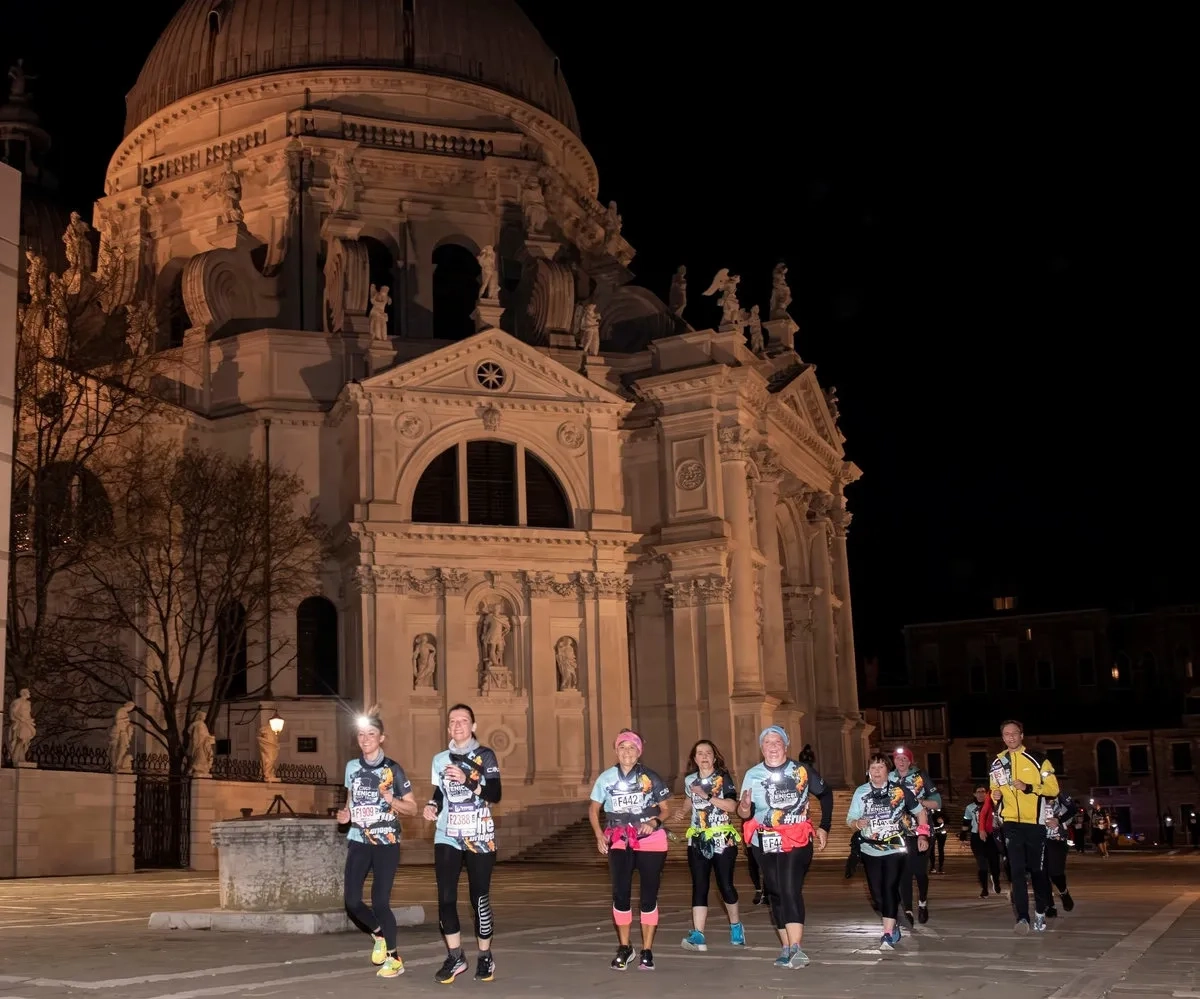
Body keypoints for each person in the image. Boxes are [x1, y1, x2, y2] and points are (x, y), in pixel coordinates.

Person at [736, 725, 833, 969]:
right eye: (767, 742)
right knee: (776, 892)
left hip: (797, 836)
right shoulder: (753, 774)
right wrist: (745, 807)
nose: (772, 746)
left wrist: (824, 826)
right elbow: (744, 812)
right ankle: (786, 946)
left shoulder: (801, 770)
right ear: (762, 748)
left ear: (785, 746)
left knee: (790, 888)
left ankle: (798, 947)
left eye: (777, 741)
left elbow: (826, 794)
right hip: (765, 839)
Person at [423, 704, 503, 984]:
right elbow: (440, 791)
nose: (457, 725)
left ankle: (484, 956)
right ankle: (455, 956)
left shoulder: (485, 756)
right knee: (445, 898)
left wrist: (468, 780)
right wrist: (432, 804)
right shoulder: (439, 759)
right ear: (448, 728)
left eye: (463, 721)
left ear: (473, 726)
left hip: (479, 834)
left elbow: (495, 793)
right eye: (453, 721)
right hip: (447, 833)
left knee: (478, 898)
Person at [337, 707, 418, 978]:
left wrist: (391, 801)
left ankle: (395, 959)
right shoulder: (351, 767)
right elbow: (350, 802)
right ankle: (379, 935)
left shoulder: (393, 770)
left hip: (386, 842)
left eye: (371, 734)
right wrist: (344, 815)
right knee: (351, 901)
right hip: (359, 840)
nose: (365, 738)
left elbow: (412, 809)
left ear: (381, 738)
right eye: (361, 734)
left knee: (380, 902)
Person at [589, 729, 673, 971]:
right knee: (620, 894)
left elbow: (666, 808)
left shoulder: (650, 777)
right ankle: (625, 947)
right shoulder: (606, 778)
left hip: (651, 841)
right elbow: (593, 809)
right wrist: (598, 835)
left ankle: (647, 949)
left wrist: (654, 822)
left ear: (639, 752)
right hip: (619, 839)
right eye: (622, 747)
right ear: (616, 750)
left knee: (649, 895)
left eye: (632, 748)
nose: (627, 752)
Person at [846, 753, 929, 951]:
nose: (876, 771)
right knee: (877, 894)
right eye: (873, 767)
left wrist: (922, 835)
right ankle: (894, 919)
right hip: (869, 848)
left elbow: (920, 811)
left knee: (890, 887)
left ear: (887, 771)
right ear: (868, 771)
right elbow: (850, 820)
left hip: (894, 847)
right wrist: (857, 823)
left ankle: (887, 933)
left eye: (881, 767)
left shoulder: (899, 791)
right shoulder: (860, 792)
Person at [990, 719, 1060, 934]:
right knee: (1017, 872)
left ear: (1022, 735)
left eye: (1014, 733)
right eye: (1006, 734)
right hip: (1011, 823)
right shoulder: (997, 762)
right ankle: (1022, 917)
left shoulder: (1039, 759)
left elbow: (1053, 789)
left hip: (1035, 823)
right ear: (1002, 738)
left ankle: (1040, 911)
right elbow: (994, 789)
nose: (1010, 737)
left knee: (1038, 871)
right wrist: (995, 796)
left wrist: (1029, 787)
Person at [680, 739, 745, 951]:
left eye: (708, 752)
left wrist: (707, 795)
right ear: (694, 758)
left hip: (722, 838)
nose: (704, 756)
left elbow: (733, 805)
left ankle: (736, 925)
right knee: (700, 885)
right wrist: (682, 810)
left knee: (725, 884)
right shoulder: (690, 780)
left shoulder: (723, 778)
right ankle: (698, 933)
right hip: (698, 839)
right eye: (700, 753)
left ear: (714, 757)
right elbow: (689, 800)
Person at [889, 746, 941, 925]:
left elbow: (937, 802)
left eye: (904, 758)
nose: (901, 761)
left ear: (910, 761)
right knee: (904, 872)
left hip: (921, 830)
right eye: (897, 758)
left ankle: (923, 902)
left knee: (919, 871)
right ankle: (908, 910)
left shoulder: (920, 776)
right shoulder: (890, 778)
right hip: (898, 832)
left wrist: (918, 802)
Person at [961, 783, 1002, 898]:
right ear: (974, 794)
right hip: (977, 837)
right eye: (978, 792)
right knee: (982, 865)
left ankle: (996, 880)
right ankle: (984, 889)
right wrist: (963, 837)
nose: (980, 794)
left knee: (994, 864)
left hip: (992, 837)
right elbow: (966, 822)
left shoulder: (993, 805)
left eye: (983, 792)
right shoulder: (970, 808)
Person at [1043, 790, 1076, 917]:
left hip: (1058, 838)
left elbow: (1072, 809)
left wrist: (1058, 819)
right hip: (1040, 838)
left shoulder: (1061, 795)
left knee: (1055, 872)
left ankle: (1063, 892)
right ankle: (1049, 905)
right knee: (1042, 872)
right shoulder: (1033, 793)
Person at [927, 805, 948, 875]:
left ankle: (940, 867)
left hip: (941, 831)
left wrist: (943, 819)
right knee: (931, 849)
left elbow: (947, 819)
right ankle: (932, 867)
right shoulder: (928, 809)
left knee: (941, 849)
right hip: (931, 831)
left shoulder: (942, 809)